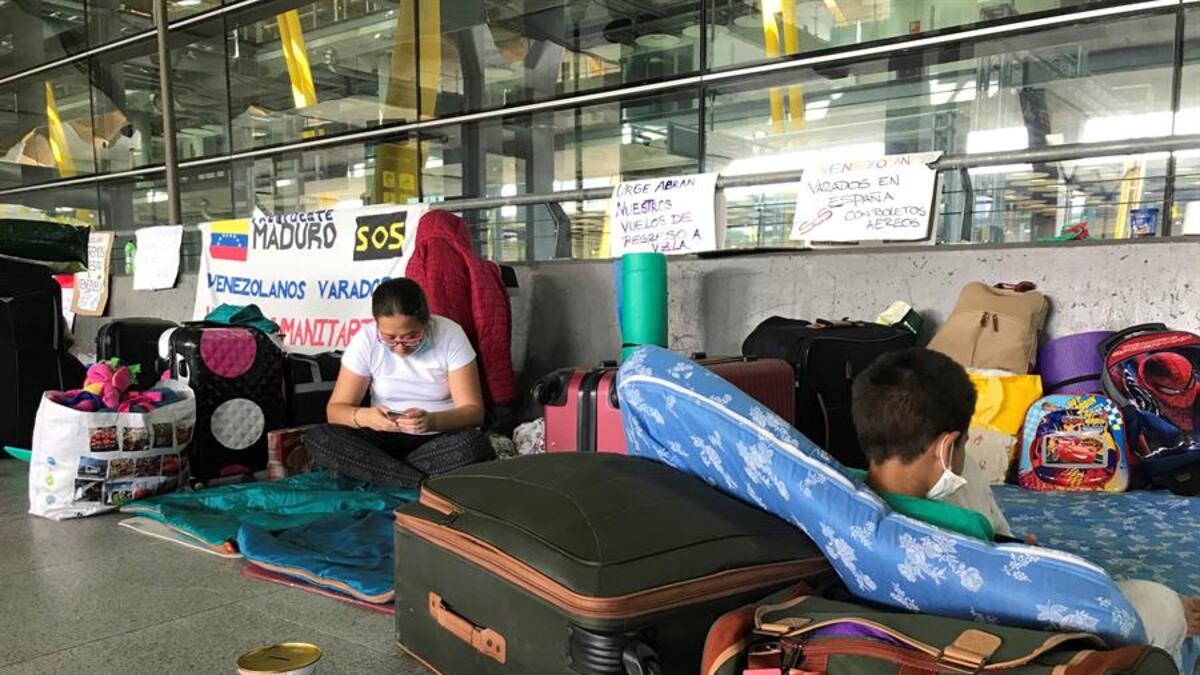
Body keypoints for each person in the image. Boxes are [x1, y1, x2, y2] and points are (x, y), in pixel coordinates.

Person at [851, 348, 1199, 662]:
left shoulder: (849, 503)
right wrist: (1025, 564)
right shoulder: (961, 539)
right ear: (945, 447)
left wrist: (1013, 548)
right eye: (964, 442)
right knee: (1163, 605)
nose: (964, 453)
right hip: (1007, 629)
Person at [304, 278, 494, 487]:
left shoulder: (450, 334)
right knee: (318, 437)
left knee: (473, 445)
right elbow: (335, 411)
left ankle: (380, 476)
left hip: (436, 438)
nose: (400, 347)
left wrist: (432, 421)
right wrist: (365, 417)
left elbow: (473, 412)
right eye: (389, 338)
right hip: (381, 439)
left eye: (411, 337)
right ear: (377, 325)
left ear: (426, 322)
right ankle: (417, 481)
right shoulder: (366, 339)